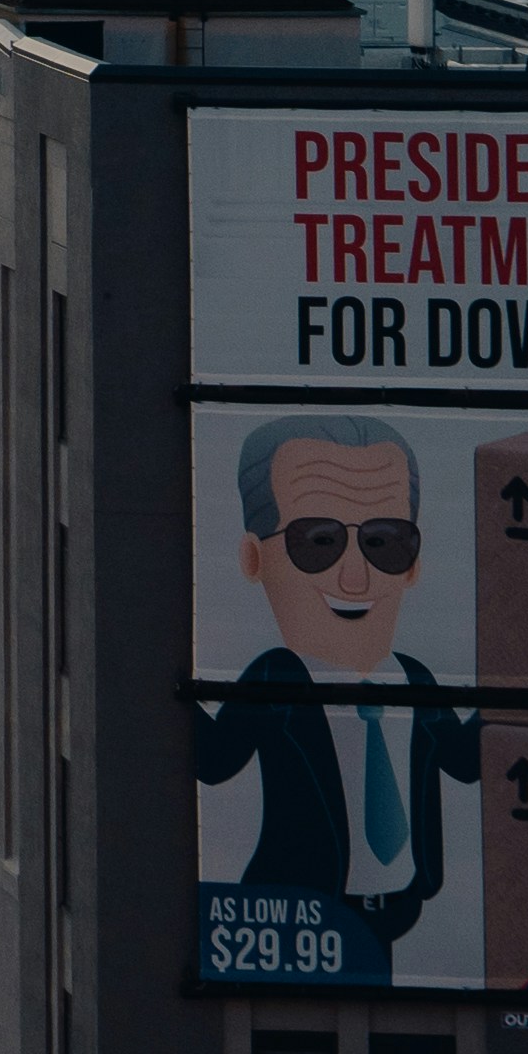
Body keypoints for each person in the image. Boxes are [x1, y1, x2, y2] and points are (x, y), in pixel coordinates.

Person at [185, 410, 474, 978]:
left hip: (403, 911)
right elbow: (214, 761)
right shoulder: (275, 680)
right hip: (303, 919)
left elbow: (465, 761)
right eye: (319, 542)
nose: (355, 578)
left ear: (412, 564)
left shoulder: (416, 680)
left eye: (384, 542)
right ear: (254, 558)